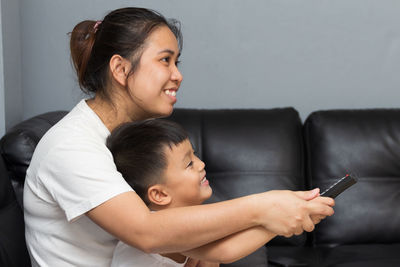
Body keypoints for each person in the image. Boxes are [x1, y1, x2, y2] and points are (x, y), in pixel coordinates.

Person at [23, 7, 335, 267]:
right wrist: (263, 207)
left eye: (177, 61)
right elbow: (146, 232)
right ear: (120, 69)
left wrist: (273, 214)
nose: (178, 75)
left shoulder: (129, 143)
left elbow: (203, 246)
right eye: (164, 60)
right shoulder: (71, 147)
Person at [107, 119, 276, 266]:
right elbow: (226, 250)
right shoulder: (164, 230)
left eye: (194, 155)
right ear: (160, 195)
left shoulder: (188, 218)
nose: (201, 164)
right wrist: (279, 217)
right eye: (189, 164)